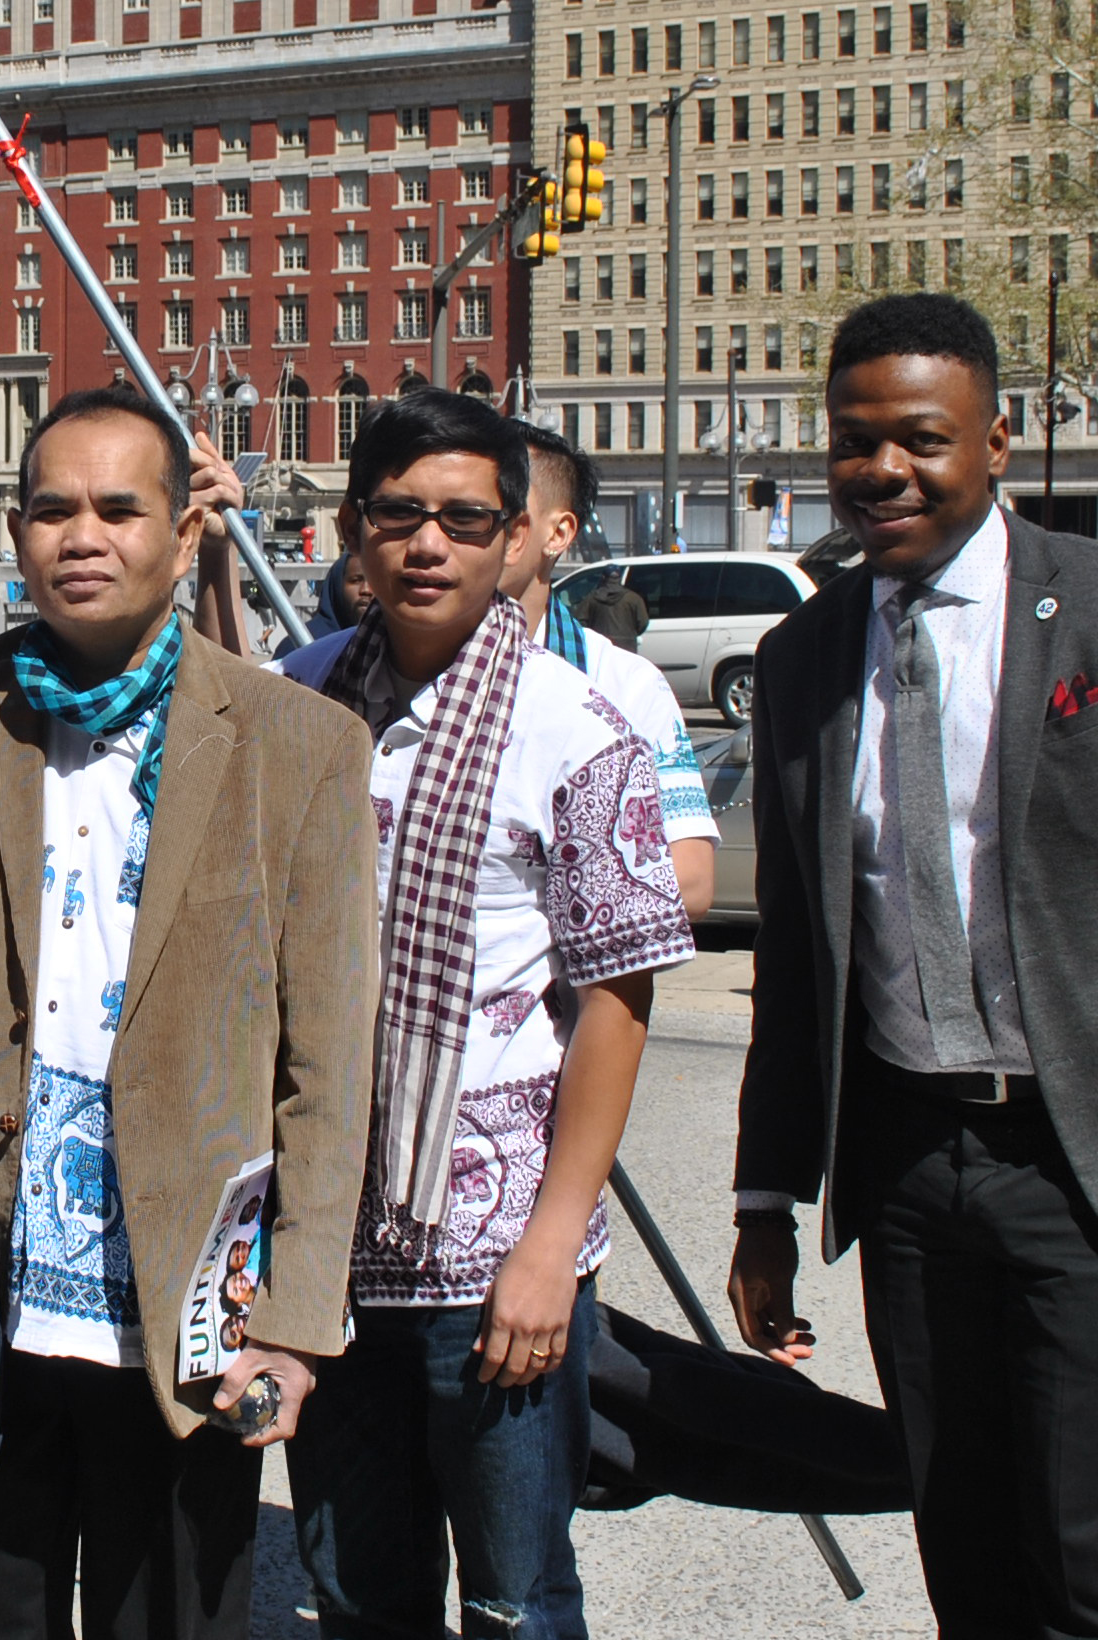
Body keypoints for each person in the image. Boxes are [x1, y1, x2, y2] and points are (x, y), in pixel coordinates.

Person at [724, 293, 1098, 1639]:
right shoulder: (807, 657)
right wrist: (765, 1195)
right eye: (854, 444)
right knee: (964, 1558)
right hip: (912, 1170)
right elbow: (802, 958)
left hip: (1093, 1167)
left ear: (1000, 441)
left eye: (922, 438)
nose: (883, 473)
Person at [0, 385, 383, 1640]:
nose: (83, 535)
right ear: (12, 534)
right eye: (51, 509)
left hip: (185, 1308)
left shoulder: (300, 742)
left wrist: (294, 1322)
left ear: (183, 534)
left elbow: (329, 1061)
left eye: (121, 508)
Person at [269, 389, 695, 1640]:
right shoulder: (302, 712)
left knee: (514, 1598)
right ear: (354, 528)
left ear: (516, 539)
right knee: (353, 1593)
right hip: (324, 1252)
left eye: (464, 519)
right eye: (398, 514)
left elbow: (617, 996)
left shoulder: (576, 729)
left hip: (494, 1251)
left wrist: (551, 1245)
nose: (427, 545)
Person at [504, 422, 718, 922]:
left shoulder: (625, 685)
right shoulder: (360, 670)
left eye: (500, 511)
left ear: (558, 534)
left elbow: (690, 880)